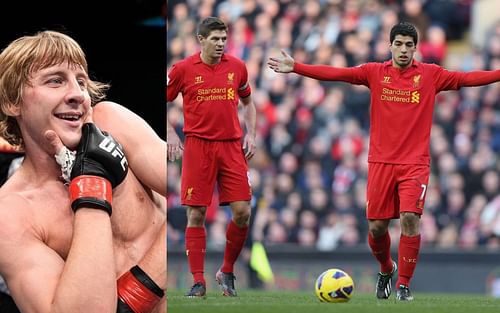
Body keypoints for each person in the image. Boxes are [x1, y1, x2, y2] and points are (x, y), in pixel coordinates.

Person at [268, 21, 500, 301]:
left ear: (416, 48)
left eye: (409, 45)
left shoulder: (430, 75)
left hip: (415, 164)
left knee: (410, 218)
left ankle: (403, 285)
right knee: (377, 228)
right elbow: (338, 74)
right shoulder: (375, 72)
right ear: (390, 45)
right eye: (398, 44)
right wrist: (298, 67)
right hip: (381, 162)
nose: (403, 50)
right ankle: (386, 268)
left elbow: (466, 78)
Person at [0, 30, 166, 312]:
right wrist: (91, 182)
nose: (78, 95)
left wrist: (139, 291)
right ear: (12, 102)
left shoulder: (112, 122)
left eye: (81, 81)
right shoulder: (11, 214)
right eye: (55, 81)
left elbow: (198, 191)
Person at [167, 16, 256, 298]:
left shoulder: (237, 67)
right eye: (215, 39)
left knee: (243, 212)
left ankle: (227, 270)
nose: (220, 44)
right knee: (197, 213)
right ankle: (198, 281)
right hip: (198, 146)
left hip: (231, 146)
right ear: (201, 40)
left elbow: (248, 102)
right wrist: (169, 133)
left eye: (223, 39)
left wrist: (251, 133)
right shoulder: (182, 69)